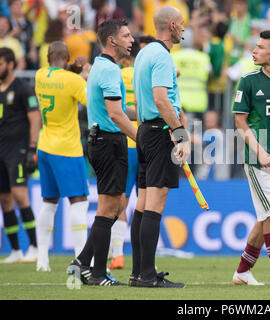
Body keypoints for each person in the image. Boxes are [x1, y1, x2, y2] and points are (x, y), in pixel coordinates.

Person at [67, 19, 137, 286]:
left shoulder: (104, 66)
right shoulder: (109, 70)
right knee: (109, 208)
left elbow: (120, 109)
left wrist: (144, 114)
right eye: (126, 35)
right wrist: (140, 139)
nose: (131, 40)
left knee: (117, 204)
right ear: (112, 40)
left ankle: (81, 262)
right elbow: (115, 114)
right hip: (108, 142)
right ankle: (96, 273)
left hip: (106, 139)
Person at [131, 5, 189, 288]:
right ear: (173, 26)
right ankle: (146, 275)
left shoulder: (144, 53)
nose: (184, 29)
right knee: (156, 202)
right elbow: (161, 100)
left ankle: (137, 272)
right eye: (182, 24)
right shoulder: (163, 57)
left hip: (144, 131)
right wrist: (179, 134)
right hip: (159, 133)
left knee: (142, 204)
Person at [231, 30, 270, 287]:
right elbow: (239, 122)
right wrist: (259, 150)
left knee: (268, 215)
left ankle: (242, 272)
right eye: (254, 47)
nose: (253, 51)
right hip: (259, 159)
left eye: (259, 47)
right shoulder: (248, 81)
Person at [34, 41, 90, 272]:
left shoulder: (39, 75)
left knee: (48, 204)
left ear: (47, 57)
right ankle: (81, 259)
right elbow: (90, 101)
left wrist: (74, 71)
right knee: (78, 202)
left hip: (44, 145)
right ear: (68, 58)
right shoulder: (73, 81)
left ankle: (42, 260)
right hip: (67, 148)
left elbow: (59, 76)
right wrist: (86, 74)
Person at [0, 47, 40, 264]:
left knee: (20, 196)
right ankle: (15, 250)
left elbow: (35, 118)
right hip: (1, 152)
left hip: (18, 151)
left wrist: (32, 148)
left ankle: (34, 246)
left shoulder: (23, 89)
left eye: (1, 64)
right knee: (5, 201)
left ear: (11, 64)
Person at [108, 39, 141, 270]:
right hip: (147, 142)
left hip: (124, 142)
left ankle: (118, 254)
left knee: (121, 201)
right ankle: (145, 257)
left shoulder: (117, 75)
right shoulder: (145, 75)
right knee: (149, 202)